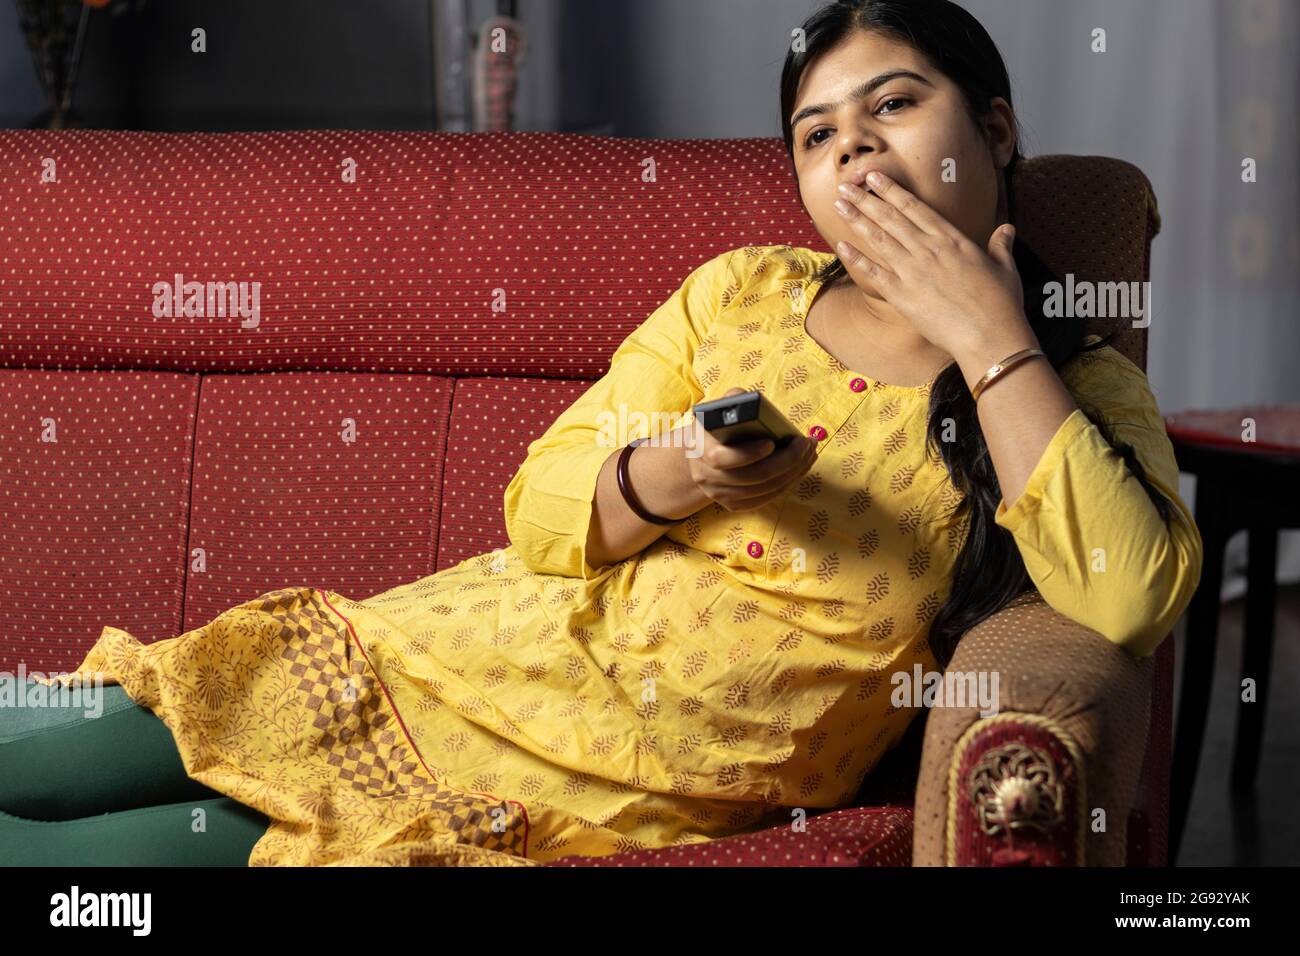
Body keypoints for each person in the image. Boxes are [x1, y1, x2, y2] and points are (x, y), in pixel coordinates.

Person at [0, 0, 1202, 866]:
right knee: (36, 761)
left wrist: (990, 337)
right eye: (819, 136)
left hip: (560, 793)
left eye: (894, 105)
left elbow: (1129, 596)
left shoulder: (1070, 384)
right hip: (412, 661)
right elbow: (540, 502)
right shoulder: (739, 291)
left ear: (993, 131)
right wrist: (680, 469)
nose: (857, 151)